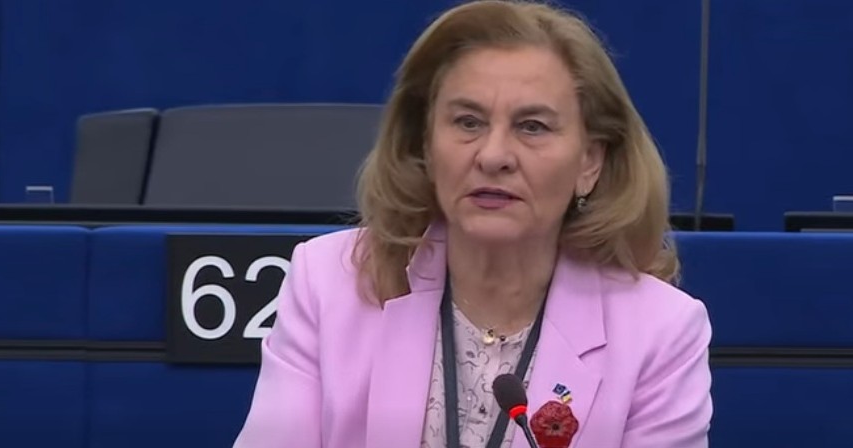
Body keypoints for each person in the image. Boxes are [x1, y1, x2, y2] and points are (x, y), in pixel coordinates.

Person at [233, 1, 713, 447]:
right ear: (425, 144)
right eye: (468, 122)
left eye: (532, 126)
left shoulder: (660, 333)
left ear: (589, 161)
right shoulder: (329, 282)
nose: (493, 155)